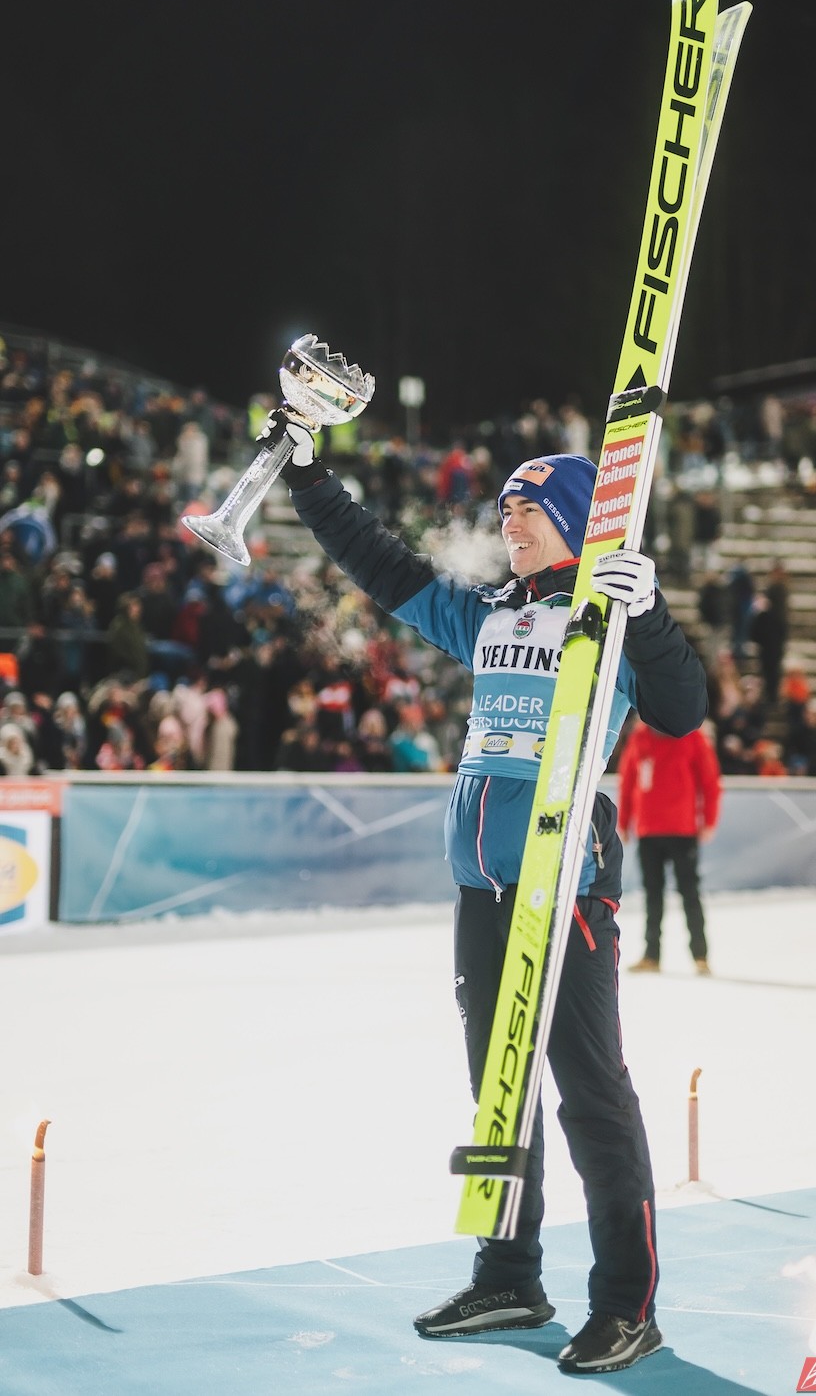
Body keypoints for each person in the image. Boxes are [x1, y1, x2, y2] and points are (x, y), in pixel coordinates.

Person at [268, 409, 708, 1375]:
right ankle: (509, 1274)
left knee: (591, 1092)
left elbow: (683, 711)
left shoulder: (608, 609)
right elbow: (383, 566)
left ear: (577, 519)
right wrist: (307, 476)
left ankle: (626, 1303)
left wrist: (650, 613)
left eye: (529, 508)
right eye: (504, 507)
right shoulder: (492, 612)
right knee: (498, 1089)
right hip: (482, 885)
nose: (509, 520)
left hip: (567, 880)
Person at [617, 720, 720, 976]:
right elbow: (628, 778)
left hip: (682, 829)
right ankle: (651, 955)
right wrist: (624, 821)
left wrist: (709, 820)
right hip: (648, 829)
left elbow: (710, 781)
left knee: (689, 893)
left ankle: (700, 955)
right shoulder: (640, 737)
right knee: (652, 895)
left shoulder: (693, 736)